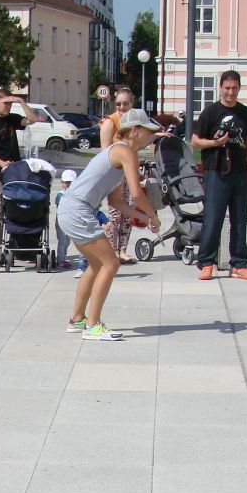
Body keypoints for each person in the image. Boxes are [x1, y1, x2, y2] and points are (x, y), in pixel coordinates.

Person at [58, 108, 161, 341]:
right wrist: (153, 215)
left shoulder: (117, 152)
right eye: (148, 131)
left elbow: (117, 201)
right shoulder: (126, 152)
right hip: (78, 211)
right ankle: (93, 326)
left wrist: (145, 218)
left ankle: (77, 319)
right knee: (111, 263)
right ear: (134, 130)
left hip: (71, 209)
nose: (151, 136)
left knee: (97, 265)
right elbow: (137, 194)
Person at [192, 70, 247, 280]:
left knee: (240, 219)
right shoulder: (210, 112)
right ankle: (207, 262)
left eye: (234, 88)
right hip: (217, 171)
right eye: (227, 88)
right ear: (221, 88)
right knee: (213, 218)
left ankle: (239, 264)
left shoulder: (245, 113)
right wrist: (215, 143)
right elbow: (195, 141)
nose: (230, 92)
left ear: (239, 88)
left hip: (239, 172)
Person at [0, 89, 40, 255]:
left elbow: (32, 120)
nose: (8, 107)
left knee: (18, 209)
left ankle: (17, 244)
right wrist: (2, 164)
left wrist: (21, 102)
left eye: (10, 104)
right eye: (5, 103)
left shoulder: (12, 119)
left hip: (15, 173)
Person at [100, 87, 138, 264]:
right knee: (115, 214)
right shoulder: (110, 121)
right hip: (115, 173)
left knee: (128, 213)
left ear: (132, 103)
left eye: (125, 104)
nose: (122, 107)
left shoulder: (134, 122)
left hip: (130, 171)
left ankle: (123, 250)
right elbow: (105, 153)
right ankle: (112, 250)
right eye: (118, 104)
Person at [54, 169, 77, 269]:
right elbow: (60, 205)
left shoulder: (75, 194)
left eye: (70, 183)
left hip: (70, 222)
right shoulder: (60, 194)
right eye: (65, 182)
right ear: (62, 182)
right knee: (62, 241)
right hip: (61, 221)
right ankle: (60, 260)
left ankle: (63, 258)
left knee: (67, 241)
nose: (67, 185)